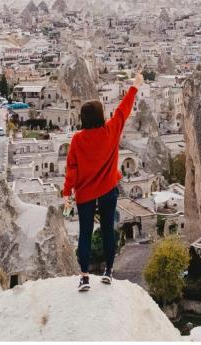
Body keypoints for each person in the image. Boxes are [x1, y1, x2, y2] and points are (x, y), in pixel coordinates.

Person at [64, 68, 143, 291]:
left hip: (85, 194)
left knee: (85, 233)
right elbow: (123, 109)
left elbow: (71, 169)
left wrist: (66, 194)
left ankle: (84, 276)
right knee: (108, 229)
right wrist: (135, 84)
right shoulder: (110, 131)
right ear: (100, 116)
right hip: (108, 189)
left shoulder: (78, 140)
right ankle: (108, 271)